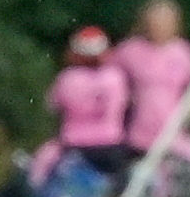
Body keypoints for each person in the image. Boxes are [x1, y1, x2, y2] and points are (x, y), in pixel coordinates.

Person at [110, 0, 190, 159]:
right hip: (136, 135)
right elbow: (110, 81)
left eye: (165, 22)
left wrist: (186, 114)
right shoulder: (129, 50)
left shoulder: (183, 51)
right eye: (155, 22)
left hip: (173, 137)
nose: (159, 27)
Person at [48, 26, 135, 184]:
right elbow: (123, 106)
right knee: (117, 187)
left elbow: (54, 106)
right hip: (109, 142)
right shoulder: (115, 77)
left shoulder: (67, 78)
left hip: (74, 144)